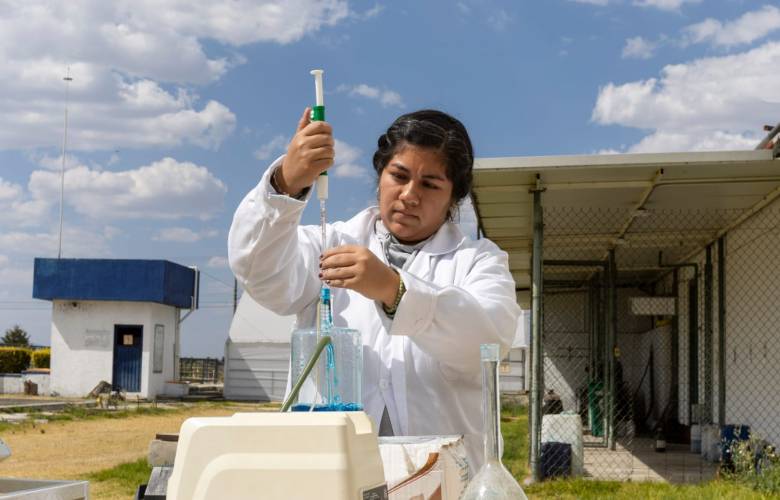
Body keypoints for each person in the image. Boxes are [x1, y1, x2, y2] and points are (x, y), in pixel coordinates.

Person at [228, 108, 519, 471]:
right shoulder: (329, 242)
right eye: (398, 175)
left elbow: (485, 341)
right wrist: (285, 182)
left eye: (430, 184)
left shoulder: (479, 261)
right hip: (332, 474)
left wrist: (393, 290)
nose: (410, 195)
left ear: (454, 197)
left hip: (441, 478)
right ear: (380, 174)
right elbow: (260, 273)